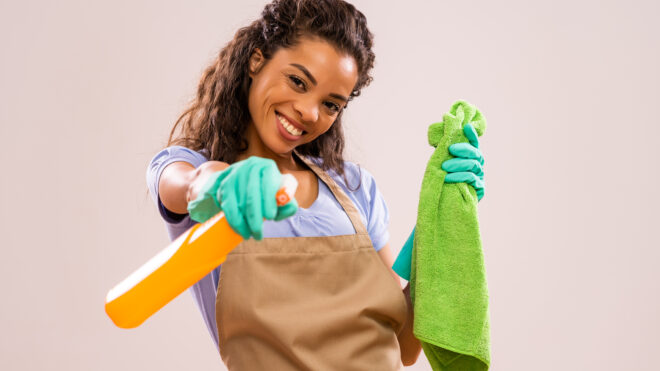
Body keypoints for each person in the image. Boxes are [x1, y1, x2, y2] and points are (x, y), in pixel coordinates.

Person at [146, 0, 485, 369]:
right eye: (297, 81)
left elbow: (403, 344)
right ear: (256, 60)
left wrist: (437, 221)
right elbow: (185, 186)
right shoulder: (194, 170)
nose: (309, 112)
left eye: (330, 104)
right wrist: (218, 184)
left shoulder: (353, 189)